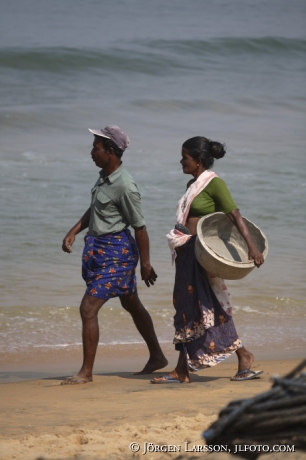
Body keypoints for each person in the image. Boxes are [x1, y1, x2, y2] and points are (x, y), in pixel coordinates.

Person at [151, 136, 265, 384]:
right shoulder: (192, 185)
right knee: (186, 308)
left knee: (204, 308)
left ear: (199, 160)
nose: (181, 161)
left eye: (185, 157)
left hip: (200, 254)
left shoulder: (214, 184)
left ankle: (241, 357)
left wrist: (252, 247)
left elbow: (235, 215)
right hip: (186, 252)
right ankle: (187, 368)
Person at [61, 125, 168, 384]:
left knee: (88, 308)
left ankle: (86, 373)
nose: (91, 152)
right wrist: (74, 231)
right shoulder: (103, 177)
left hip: (117, 252)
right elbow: (94, 209)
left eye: (95, 148)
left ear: (110, 152)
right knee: (130, 302)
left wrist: (146, 264)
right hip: (98, 250)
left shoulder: (125, 185)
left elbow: (140, 227)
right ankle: (157, 356)